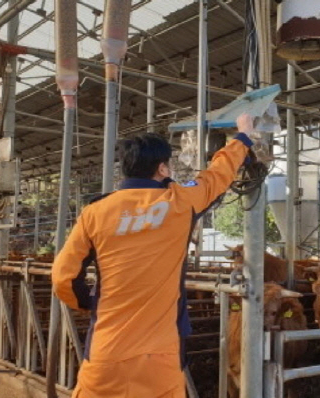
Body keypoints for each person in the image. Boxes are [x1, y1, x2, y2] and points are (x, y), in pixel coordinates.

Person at [52, 113, 261, 398]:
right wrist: (243, 137)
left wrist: (90, 304)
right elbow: (218, 175)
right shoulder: (181, 201)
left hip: (106, 351)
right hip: (160, 356)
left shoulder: (95, 213)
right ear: (162, 168)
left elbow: (63, 276)